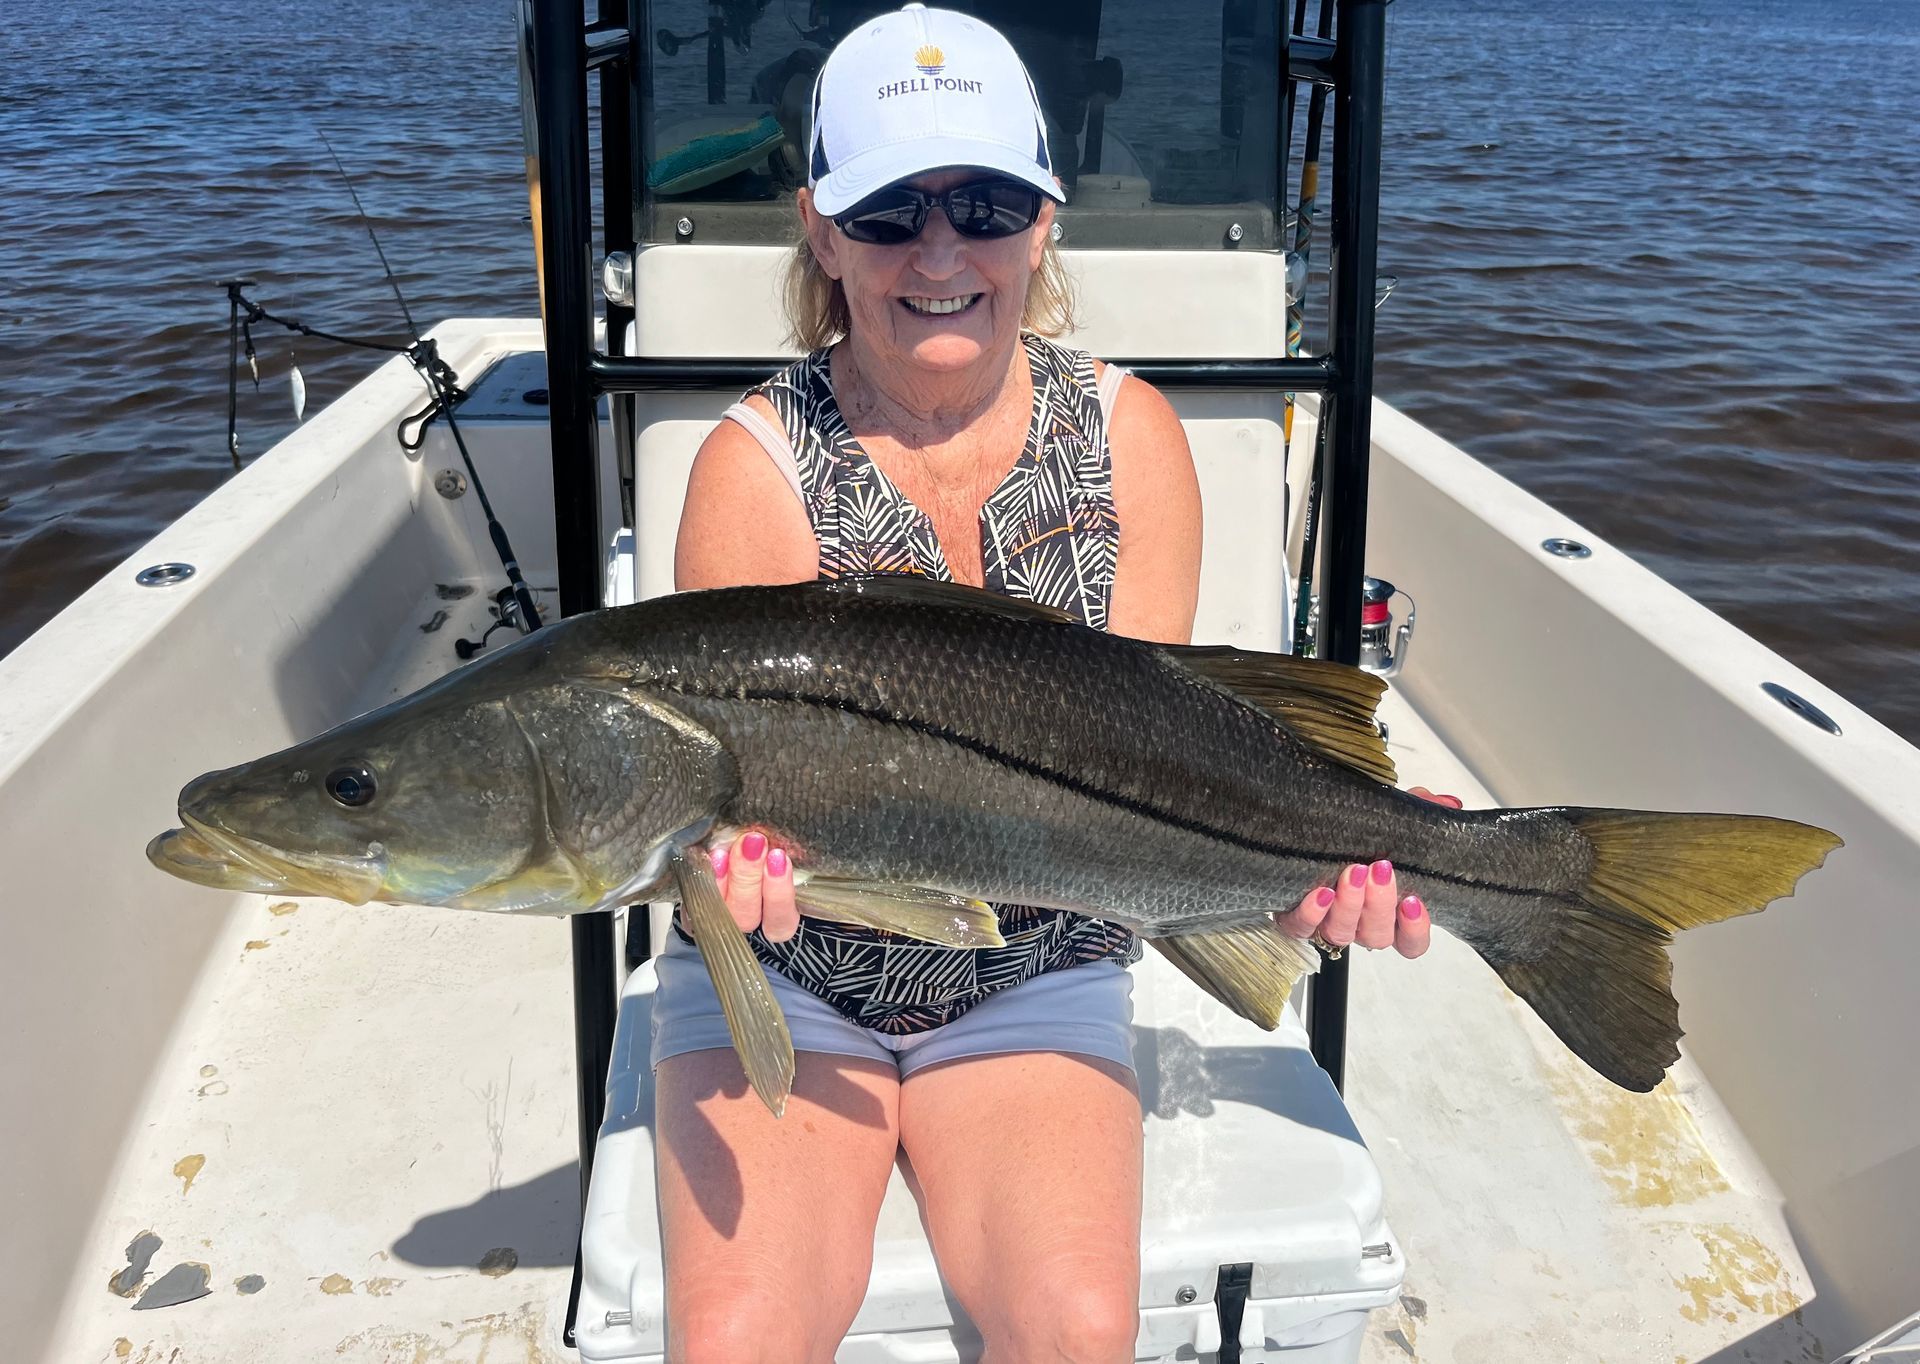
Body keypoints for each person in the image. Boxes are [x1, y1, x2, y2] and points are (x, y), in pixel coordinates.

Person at [658, 7, 1454, 1360]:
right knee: (737, 1336)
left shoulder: (1130, 438)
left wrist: (1316, 860)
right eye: (890, 212)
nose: (940, 251)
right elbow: (726, 807)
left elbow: (1159, 770)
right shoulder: (754, 463)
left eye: (983, 202)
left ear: (1043, 220)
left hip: (1043, 965)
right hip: (787, 972)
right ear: (820, 229)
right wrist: (715, 866)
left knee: (1077, 1335)